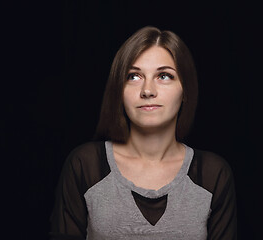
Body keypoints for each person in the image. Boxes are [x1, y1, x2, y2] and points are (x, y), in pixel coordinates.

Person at [50, 26, 237, 240]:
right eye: (134, 76)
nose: (148, 90)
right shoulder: (85, 165)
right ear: (118, 89)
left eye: (164, 76)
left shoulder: (212, 174)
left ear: (185, 90)